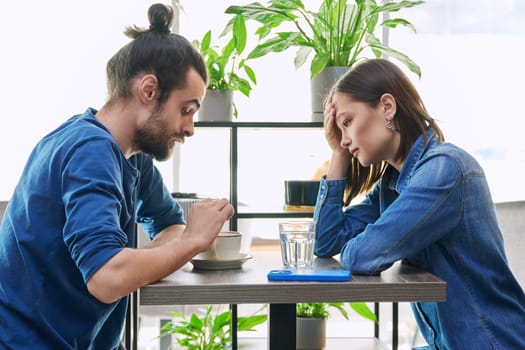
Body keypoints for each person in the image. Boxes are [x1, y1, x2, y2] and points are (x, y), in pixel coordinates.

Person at [0, 3, 234, 349]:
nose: (189, 128)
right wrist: (190, 244)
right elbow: (106, 277)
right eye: (186, 110)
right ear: (149, 91)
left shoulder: (131, 157)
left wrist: (146, 260)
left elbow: (169, 223)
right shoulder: (90, 151)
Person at [314, 58, 525, 349]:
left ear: (387, 107)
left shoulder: (444, 171)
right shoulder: (392, 185)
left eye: (348, 122)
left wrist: (370, 241)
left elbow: (362, 256)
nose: (345, 138)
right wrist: (338, 154)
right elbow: (325, 242)